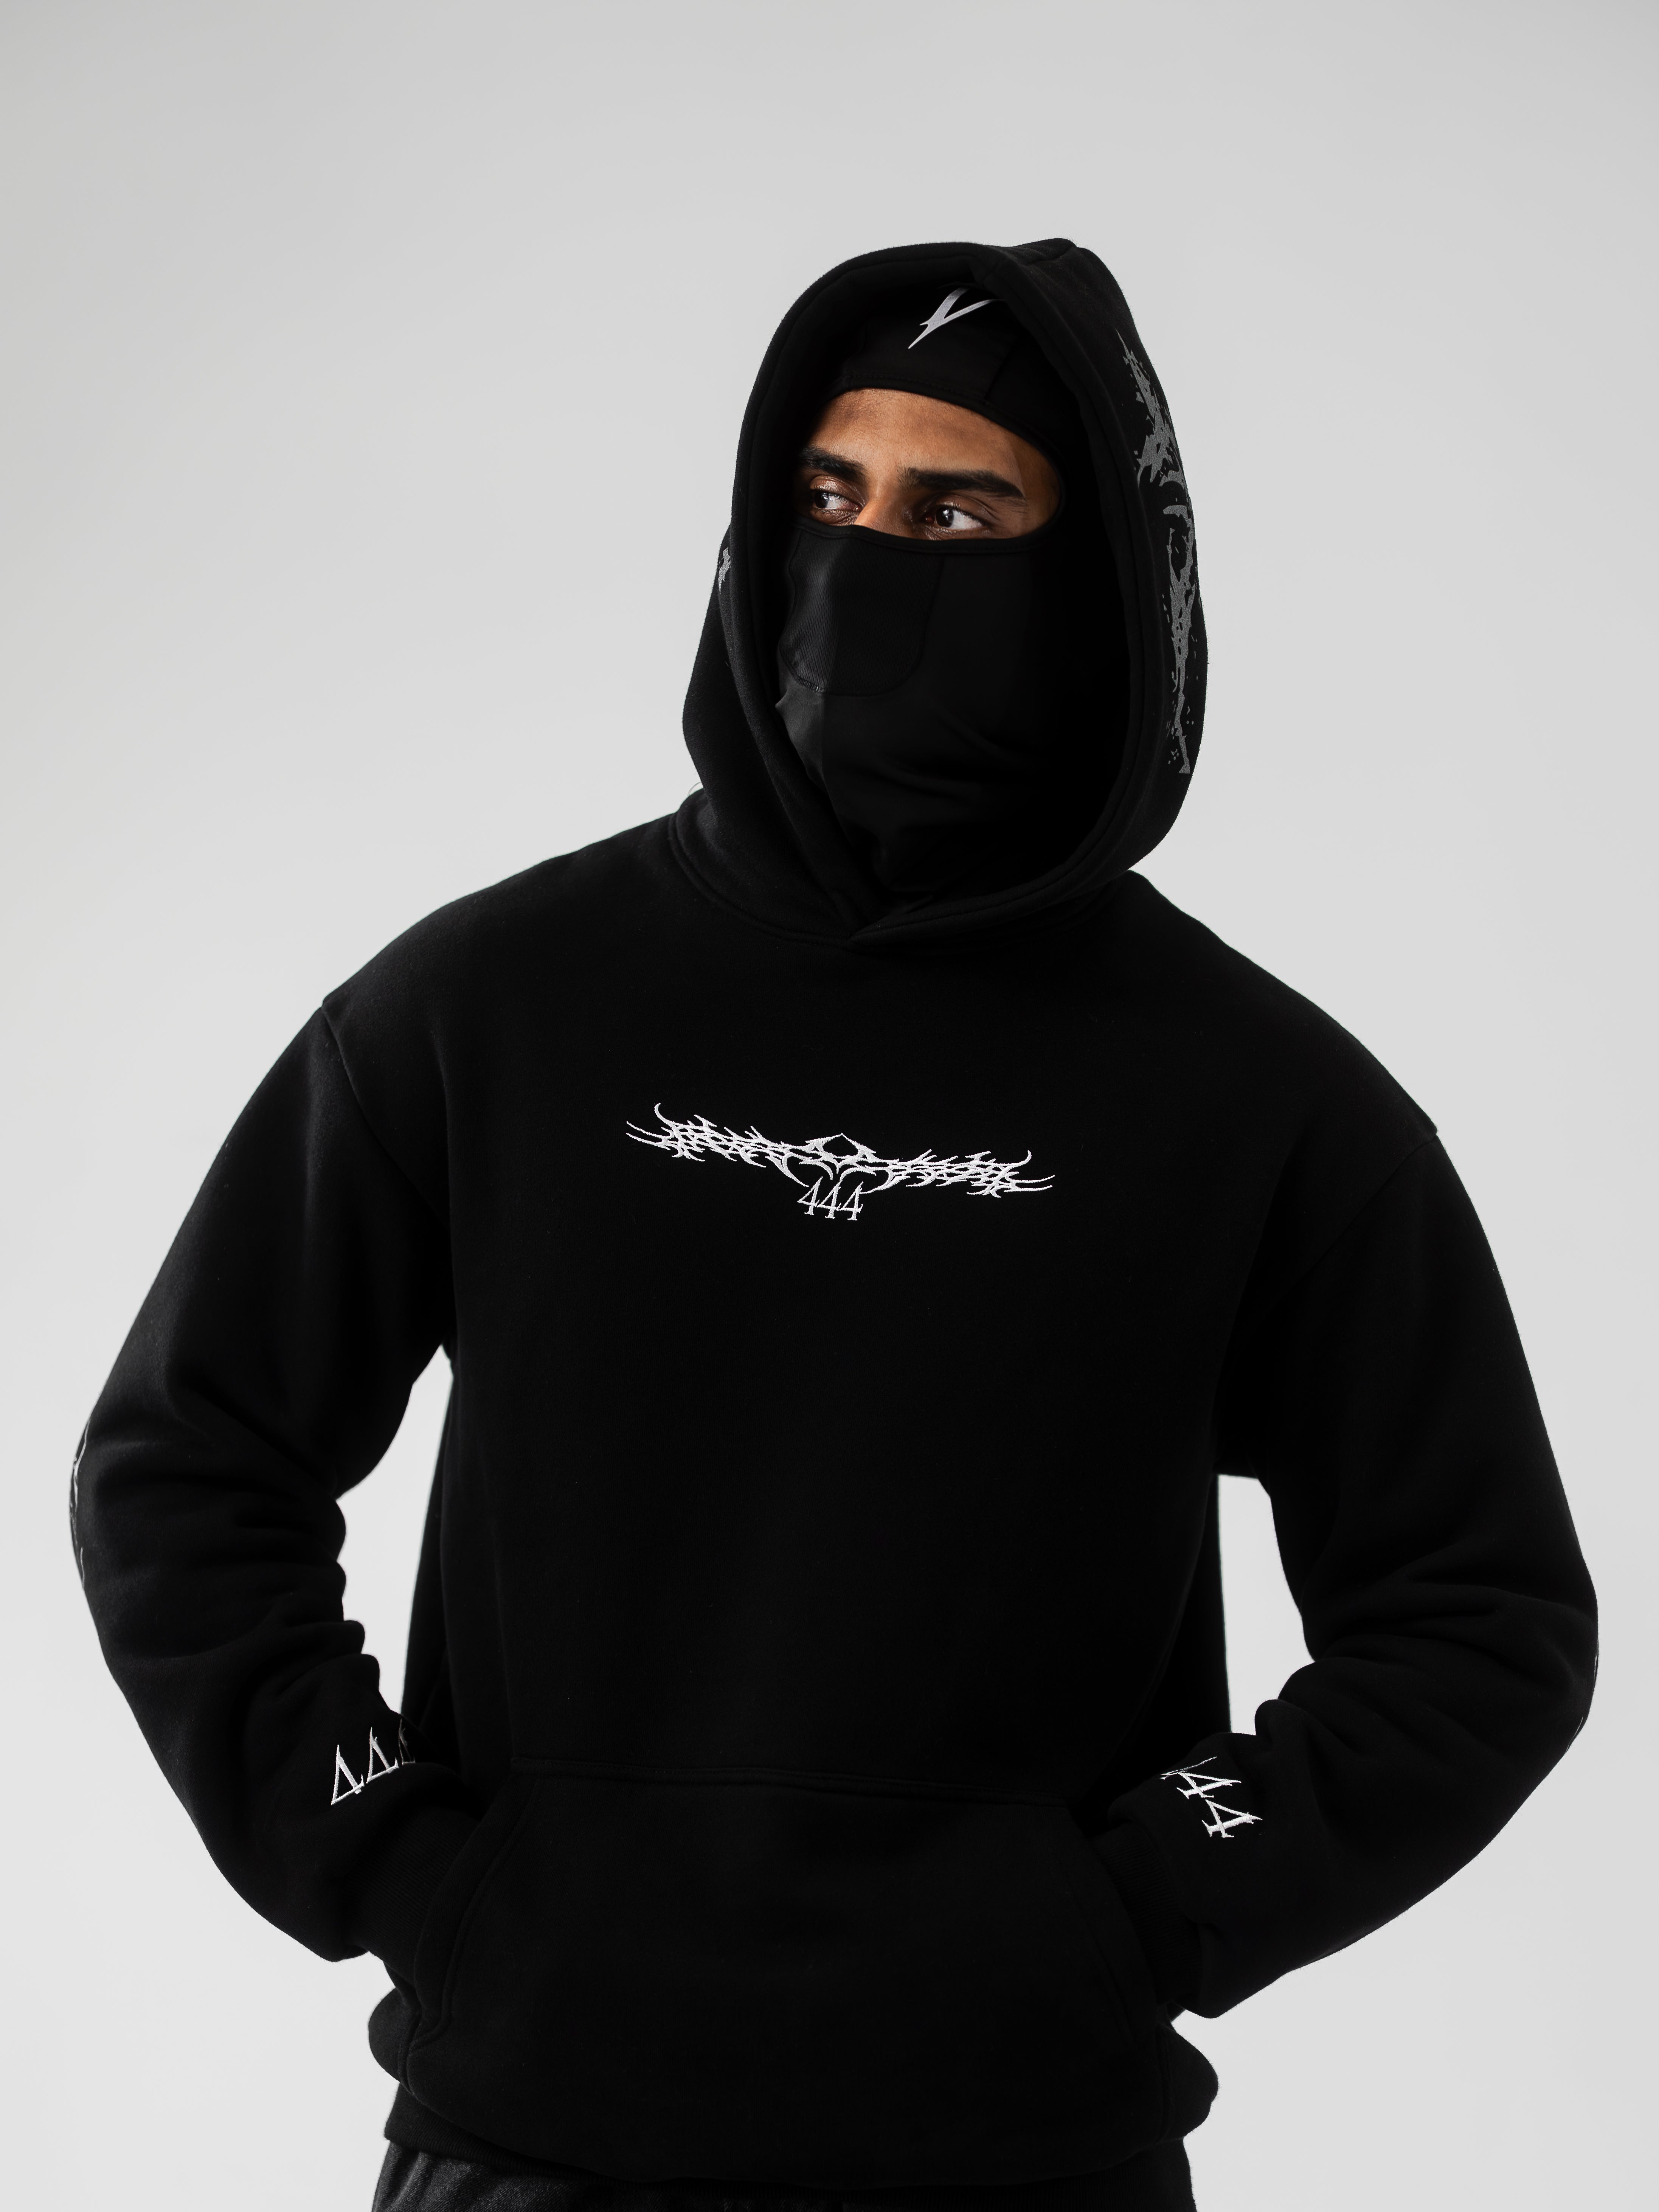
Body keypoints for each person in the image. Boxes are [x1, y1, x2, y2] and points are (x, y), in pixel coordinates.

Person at [73, 239, 1597, 2212]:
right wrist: (398, 1863)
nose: (873, 564)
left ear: (1093, 581)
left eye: (958, 513)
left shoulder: (1252, 1098)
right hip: (536, 2143)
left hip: (1026, 2163)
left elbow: (1480, 1620)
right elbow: (185, 1463)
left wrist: (1137, 1909)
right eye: (826, 496)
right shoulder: (490, 1010)